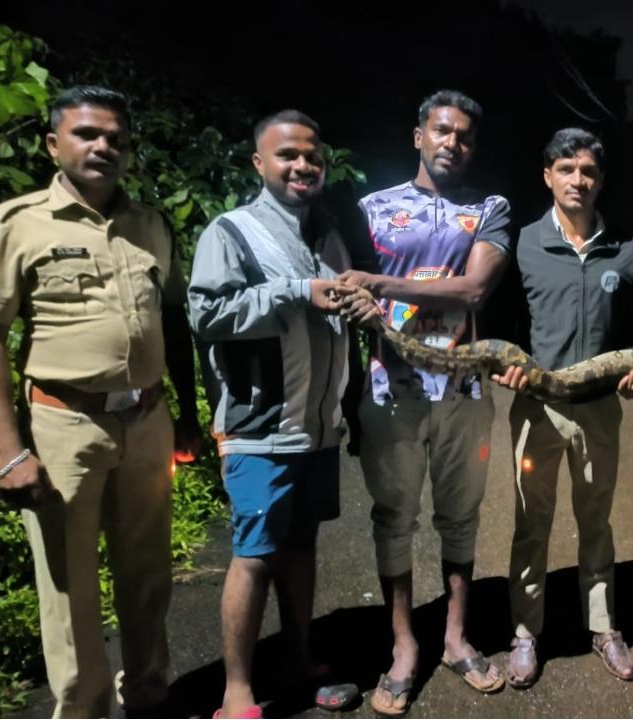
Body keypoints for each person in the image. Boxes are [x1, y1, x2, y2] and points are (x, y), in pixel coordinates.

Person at [0, 85, 201, 718]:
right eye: (87, 134)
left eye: (116, 139)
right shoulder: (14, 224)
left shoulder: (151, 225)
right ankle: (83, 707)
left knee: (148, 569)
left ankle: (151, 694)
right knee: (68, 584)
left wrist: (185, 414)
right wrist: (7, 450)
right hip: (63, 425)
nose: (103, 146)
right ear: (54, 143)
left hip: (148, 419)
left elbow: (172, 322)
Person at [188, 110, 373, 719]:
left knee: (300, 547)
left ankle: (300, 659)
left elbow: (337, 320)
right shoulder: (230, 232)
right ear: (259, 164)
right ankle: (236, 692)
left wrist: (360, 305)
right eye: (287, 155)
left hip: (316, 429)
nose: (302, 166)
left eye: (312, 157)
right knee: (255, 555)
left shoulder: (326, 235)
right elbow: (206, 315)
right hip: (261, 428)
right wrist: (295, 293)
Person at [335, 89, 512, 715]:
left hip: (464, 389)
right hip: (390, 389)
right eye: (441, 130)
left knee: (461, 517)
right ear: (419, 136)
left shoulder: (491, 209)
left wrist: (378, 283)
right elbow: (342, 293)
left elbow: (472, 290)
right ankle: (405, 643)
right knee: (395, 519)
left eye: (464, 135)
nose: (452, 143)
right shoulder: (371, 210)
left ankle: (457, 637)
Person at [490, 128, 633, 688]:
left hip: (600, 409)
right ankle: (526, 633)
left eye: (587, 171)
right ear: (547, 176)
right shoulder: (524, 245)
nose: (577, 179)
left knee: (596, 520)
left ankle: (604, 627)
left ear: (600, 179)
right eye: (566, 169)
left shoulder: (627, 249)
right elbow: (500, 325)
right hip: (537, 408)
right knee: (531, 523)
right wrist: (503, 368)